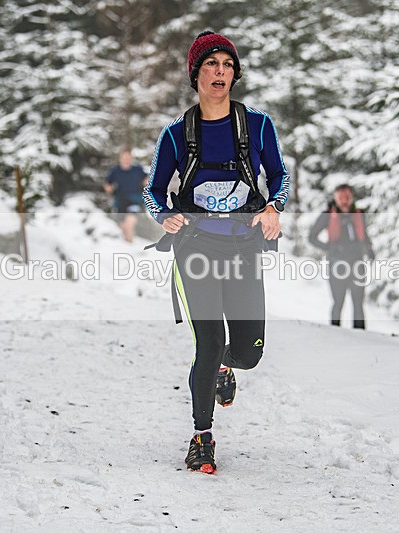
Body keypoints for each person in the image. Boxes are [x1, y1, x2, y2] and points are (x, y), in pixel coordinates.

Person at [143, 31, 290, 473]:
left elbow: (280, 178)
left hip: (244, 247)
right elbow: (152, 192)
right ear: (196, 75)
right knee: (208, 342)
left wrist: (272, 208)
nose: (220, 71)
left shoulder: (258, 126)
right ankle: (201, 437)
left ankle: (229, 367)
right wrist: (163, 215)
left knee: (247, 352)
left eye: (227, 64)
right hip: (196, 249)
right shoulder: (175, 134)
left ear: (236, 74)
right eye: (211, 64)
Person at [309, 184, 374, 329]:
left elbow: (365, 235)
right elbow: (311, 237)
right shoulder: (328, 215)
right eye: (341, 197)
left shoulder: (358, 214)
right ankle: (335, 335)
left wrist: (370, 250)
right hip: (336, 264)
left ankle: (361, 336)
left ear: (351, 198)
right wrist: (329, 247)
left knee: (358, 303)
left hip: (357, 263)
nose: (344, 200)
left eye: (347, 196)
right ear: (335, 198)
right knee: (338, 302)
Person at [105, 147, 147, 242]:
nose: (126, 160)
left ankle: (130, 244)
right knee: (123, 226)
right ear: (120, 158)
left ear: (131, 158)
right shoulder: (115, 170)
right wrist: (109, 189)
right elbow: (107, 184)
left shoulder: (138, 169)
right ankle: (127, 243)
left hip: (135, 200)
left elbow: (147, 180)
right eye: (124, 158)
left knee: (130, 222)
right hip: (120, 201)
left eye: (128, 158)